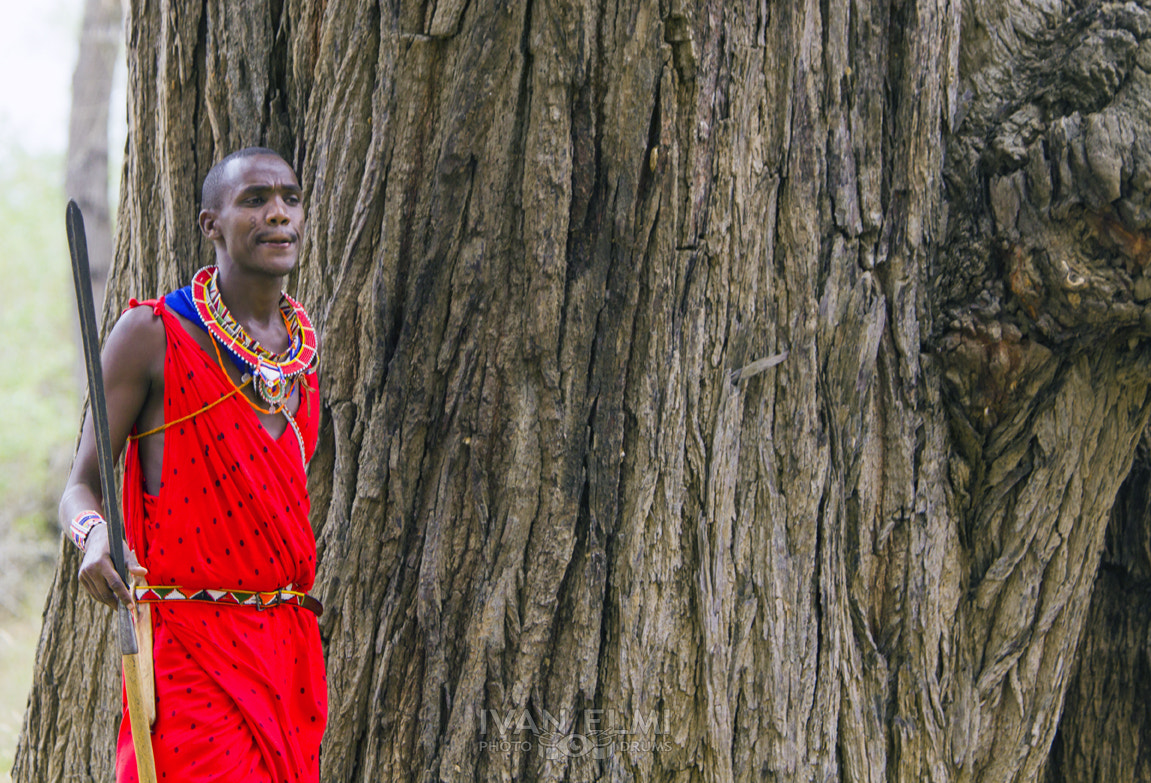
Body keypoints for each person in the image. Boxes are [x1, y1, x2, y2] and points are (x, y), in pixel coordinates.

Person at [59, 147, 327, 782]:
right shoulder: (152, 334)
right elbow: (79, 487)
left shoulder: (301, 357)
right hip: (189, 653)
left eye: (289, 199)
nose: (278, 214)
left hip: (288, 658)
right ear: (212, 223)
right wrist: (95, 539)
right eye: (254, 200)